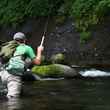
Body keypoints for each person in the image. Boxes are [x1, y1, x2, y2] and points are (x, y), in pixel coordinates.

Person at [0, 32, 44, 99]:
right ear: (24, 40)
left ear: (14, 40)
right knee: (13, 100)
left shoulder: (8, 47)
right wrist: (39, 51)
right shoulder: (27, 48)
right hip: (13, 77)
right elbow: (37, 62)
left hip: (2, 74)